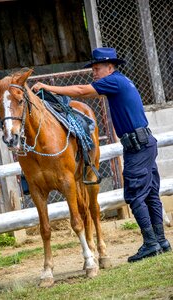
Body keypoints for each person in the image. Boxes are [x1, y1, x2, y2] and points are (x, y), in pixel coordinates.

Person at [32, 47, 171, 262]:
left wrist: (46, 86)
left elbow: (80, 91)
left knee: (134, 195)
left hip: (138, 145)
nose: (94, 73)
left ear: (110, 67)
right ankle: (161, 241)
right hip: (144, 142)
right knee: (150, 193)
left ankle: (151, 243)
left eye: (97, 68)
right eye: (93, 69)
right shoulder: (121, 81)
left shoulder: (114, 80)